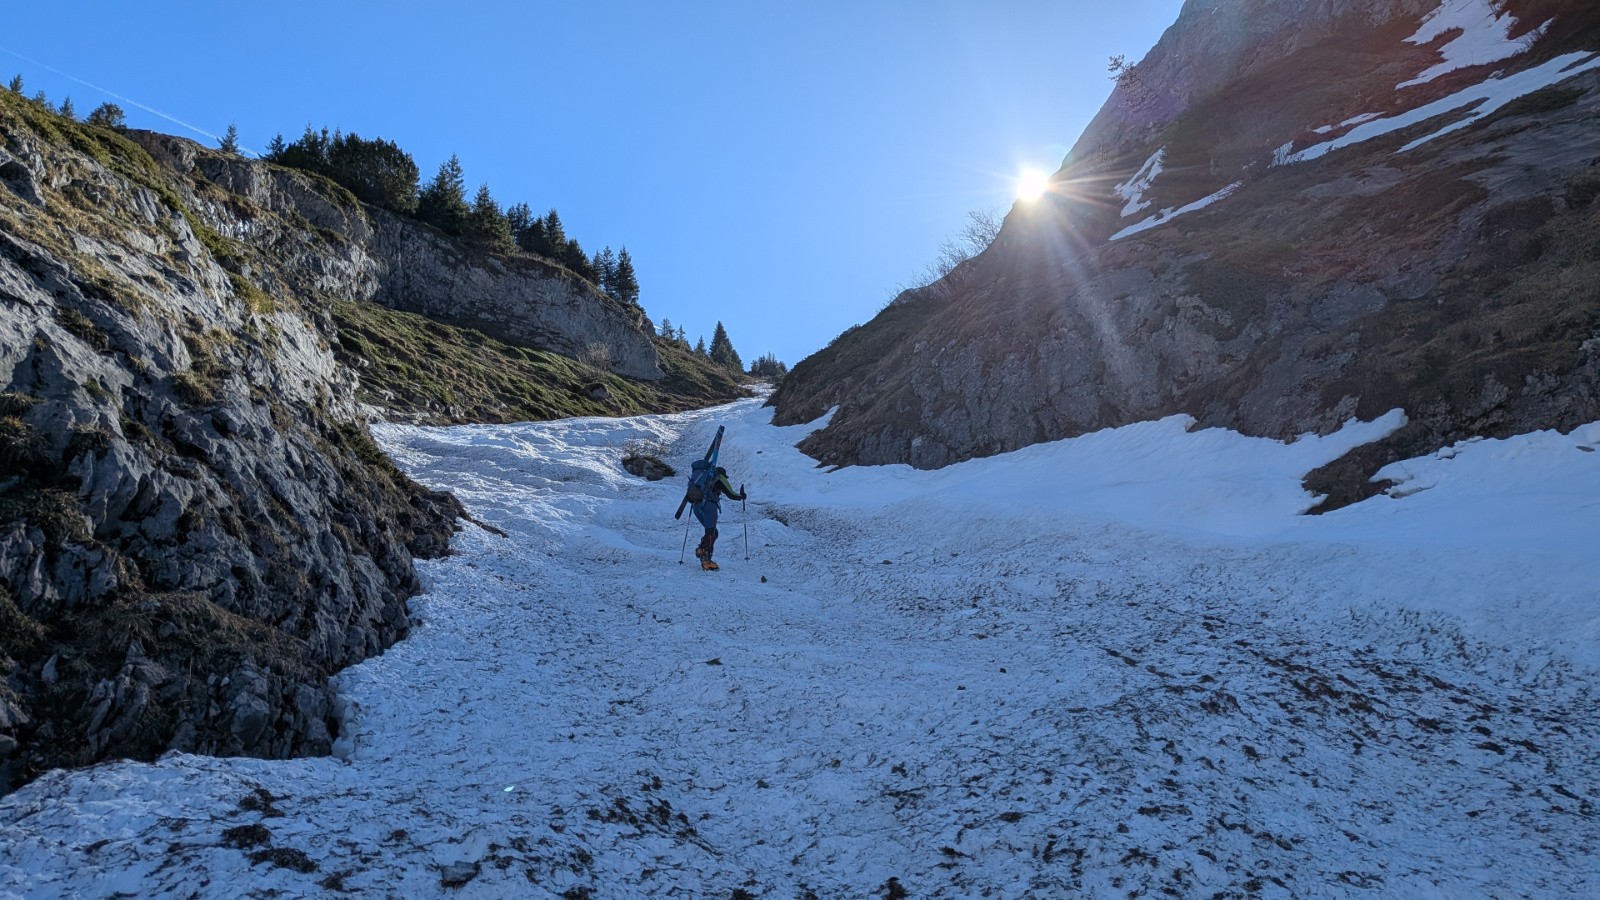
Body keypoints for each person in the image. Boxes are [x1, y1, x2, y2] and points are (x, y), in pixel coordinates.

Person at [692, 465, 746, 571]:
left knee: (712, 532)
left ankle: (701, 549)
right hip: (709, 506)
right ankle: (706, 560)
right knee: (711, 533)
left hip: (697, 506)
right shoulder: (719, 477)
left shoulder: (701, 478)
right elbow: (730, 493)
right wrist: (741, 496)